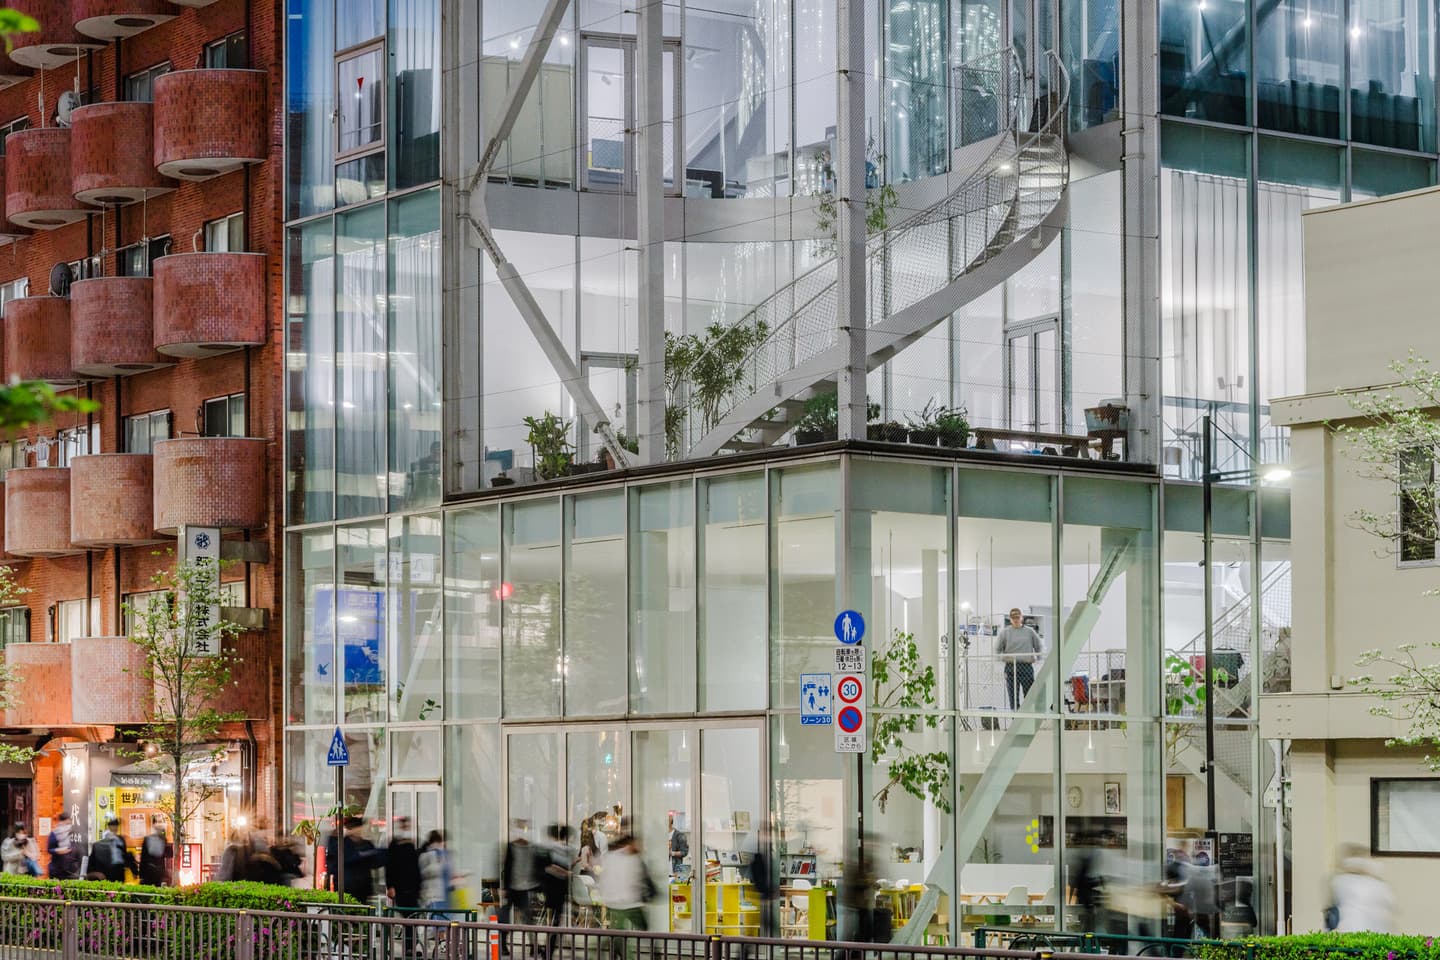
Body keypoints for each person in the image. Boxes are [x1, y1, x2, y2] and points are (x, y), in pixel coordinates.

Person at [598, 834, 654, 960]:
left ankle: (613, 950)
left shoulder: (610, 858)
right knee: (644, 930)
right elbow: (638, 880)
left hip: (615, 904)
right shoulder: (632, 859)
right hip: (630, 903)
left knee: (618, 933)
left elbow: (604, 880)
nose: (639, 847)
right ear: (629, 845)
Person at [1330, 846, 1396, 933]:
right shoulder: (1377, 886)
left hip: (1348, 932)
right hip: (1370, 933)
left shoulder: (1340, 881)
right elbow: (1390, 903)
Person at [324, 816, 387, 905]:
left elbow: (374, 862)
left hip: (363, 888)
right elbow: (344, 859)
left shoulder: (366, 844)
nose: (361, 830)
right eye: (358, 828)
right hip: (346, 888)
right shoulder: (342, 844)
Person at [387, 816, 423, 958]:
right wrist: (390, 886)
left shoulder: (411, 844)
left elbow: (416, 867)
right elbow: (390, 866)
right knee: (408, 917)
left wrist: (419, 887)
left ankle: (411, 946)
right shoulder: (395, 844)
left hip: (412, 888)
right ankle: (410, 946)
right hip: (401, 888)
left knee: (411, 918)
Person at [502, 829, 541, 955]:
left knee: (528, 919)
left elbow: (535, 868)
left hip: (524, 888)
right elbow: (507, 868)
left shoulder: (532, 848)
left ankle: (534, 946)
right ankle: (503, 945)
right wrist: (504, 888)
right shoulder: (512, 847)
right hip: (512, 888)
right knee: (505, 918)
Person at [996, 608, 1043, 709]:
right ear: (1010, 619)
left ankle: (1028, 716)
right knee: (1013, 697)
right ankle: (1015, 716)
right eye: (1013, 618)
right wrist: (1002, 659)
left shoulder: (1029, 631)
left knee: (1029, 696)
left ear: (1021, 617)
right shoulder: (1005, 632)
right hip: (1011, 668)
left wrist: (1039, 658)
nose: (1016, 620)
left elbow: (1039, 646)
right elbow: (997, 649)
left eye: (1017, 617)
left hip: (1026, 667)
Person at [89, 817, 138, 883]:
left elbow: (124, 855)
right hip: (108, 873)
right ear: (109, 827)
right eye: (113, 826)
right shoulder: (100, 843)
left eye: (116, 826)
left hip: (116, 873)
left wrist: (133, 870)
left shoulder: (120, 840)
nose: (115, 828)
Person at [138, 818, 172, 886]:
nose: (159, 826)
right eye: (158, 823)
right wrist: (141, 875)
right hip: (148, 871)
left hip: (159, 872)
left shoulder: (164, 840)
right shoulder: (148, 839)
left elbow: (169, 854)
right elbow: (143, 857)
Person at [46, 813, 80, 880]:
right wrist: (58, 851)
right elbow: (49, 849)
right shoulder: (54, 833)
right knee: (57, 886)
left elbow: (76, 848)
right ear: (65, 820)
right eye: (69, 820)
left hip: (70, 868)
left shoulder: (72, 832)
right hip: (57, 867)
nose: (70, 822)